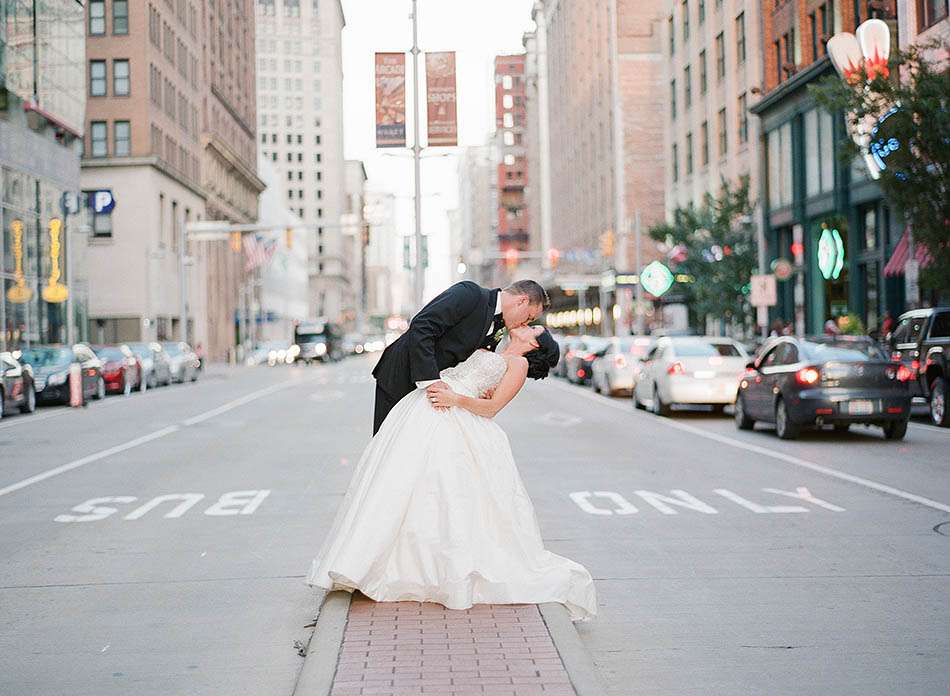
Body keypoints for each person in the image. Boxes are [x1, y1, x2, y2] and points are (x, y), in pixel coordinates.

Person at [307, 324, 597, 622]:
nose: (527, 325)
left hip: (453, 416)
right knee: (404, 486)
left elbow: (493, 407)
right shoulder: (495, 347)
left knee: (444, 491)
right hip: (424, 410)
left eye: (534, 328)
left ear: (535, 345)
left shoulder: (518, 363)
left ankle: (436, 570)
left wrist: (455, 399)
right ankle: (386, 561)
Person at [371, 279, 548, 434]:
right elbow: (422, 326)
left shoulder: (499, 326)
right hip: (401, 376)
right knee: (390, 444)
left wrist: (485, 388)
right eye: (529, 317)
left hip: (437, 394)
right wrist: (431, 380)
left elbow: (473, 361)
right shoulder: (470, 294)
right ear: (522, 301)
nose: (525, 323)